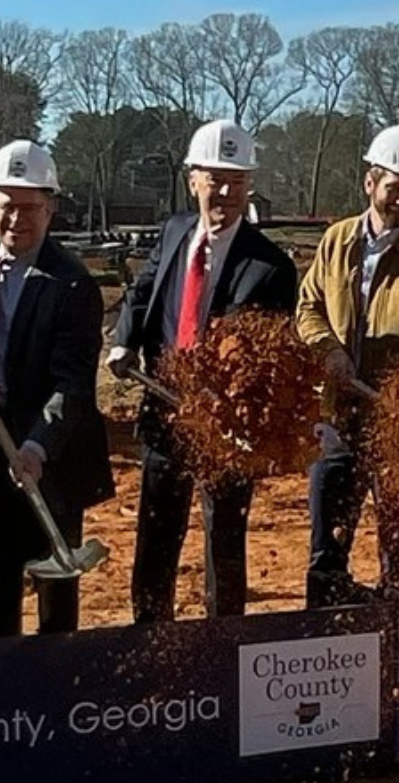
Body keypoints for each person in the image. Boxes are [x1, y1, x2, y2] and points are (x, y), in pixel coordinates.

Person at [108, 120, 299, 622]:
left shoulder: (271, 267)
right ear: (193, 179)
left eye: (238, 181)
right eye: (216, 179)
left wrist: (226, 403)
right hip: (164, 408)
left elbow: (264, 354)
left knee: (225, 537)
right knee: (156, 531)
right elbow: (143, 292)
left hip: (226, 423)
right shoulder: (174, 232)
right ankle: (150, 632)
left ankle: (224, 637)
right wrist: (125, 340)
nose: (227, 193)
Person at [0, 141, 111, 637]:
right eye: (5, 205)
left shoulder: (71, 285)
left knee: (54, 589)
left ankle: (55, 676)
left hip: (49, 451)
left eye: (29, 207)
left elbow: (73, 385)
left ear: (50, 208)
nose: (16, 219)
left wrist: (36, 446)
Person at [294, 123, 399, 605]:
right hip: (338, 419)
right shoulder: (336, 241)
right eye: (395, 188)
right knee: (327, 550)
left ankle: (396, 637)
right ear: (370, 182)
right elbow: (308, 307)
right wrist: (328, 350)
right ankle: (325, 630)